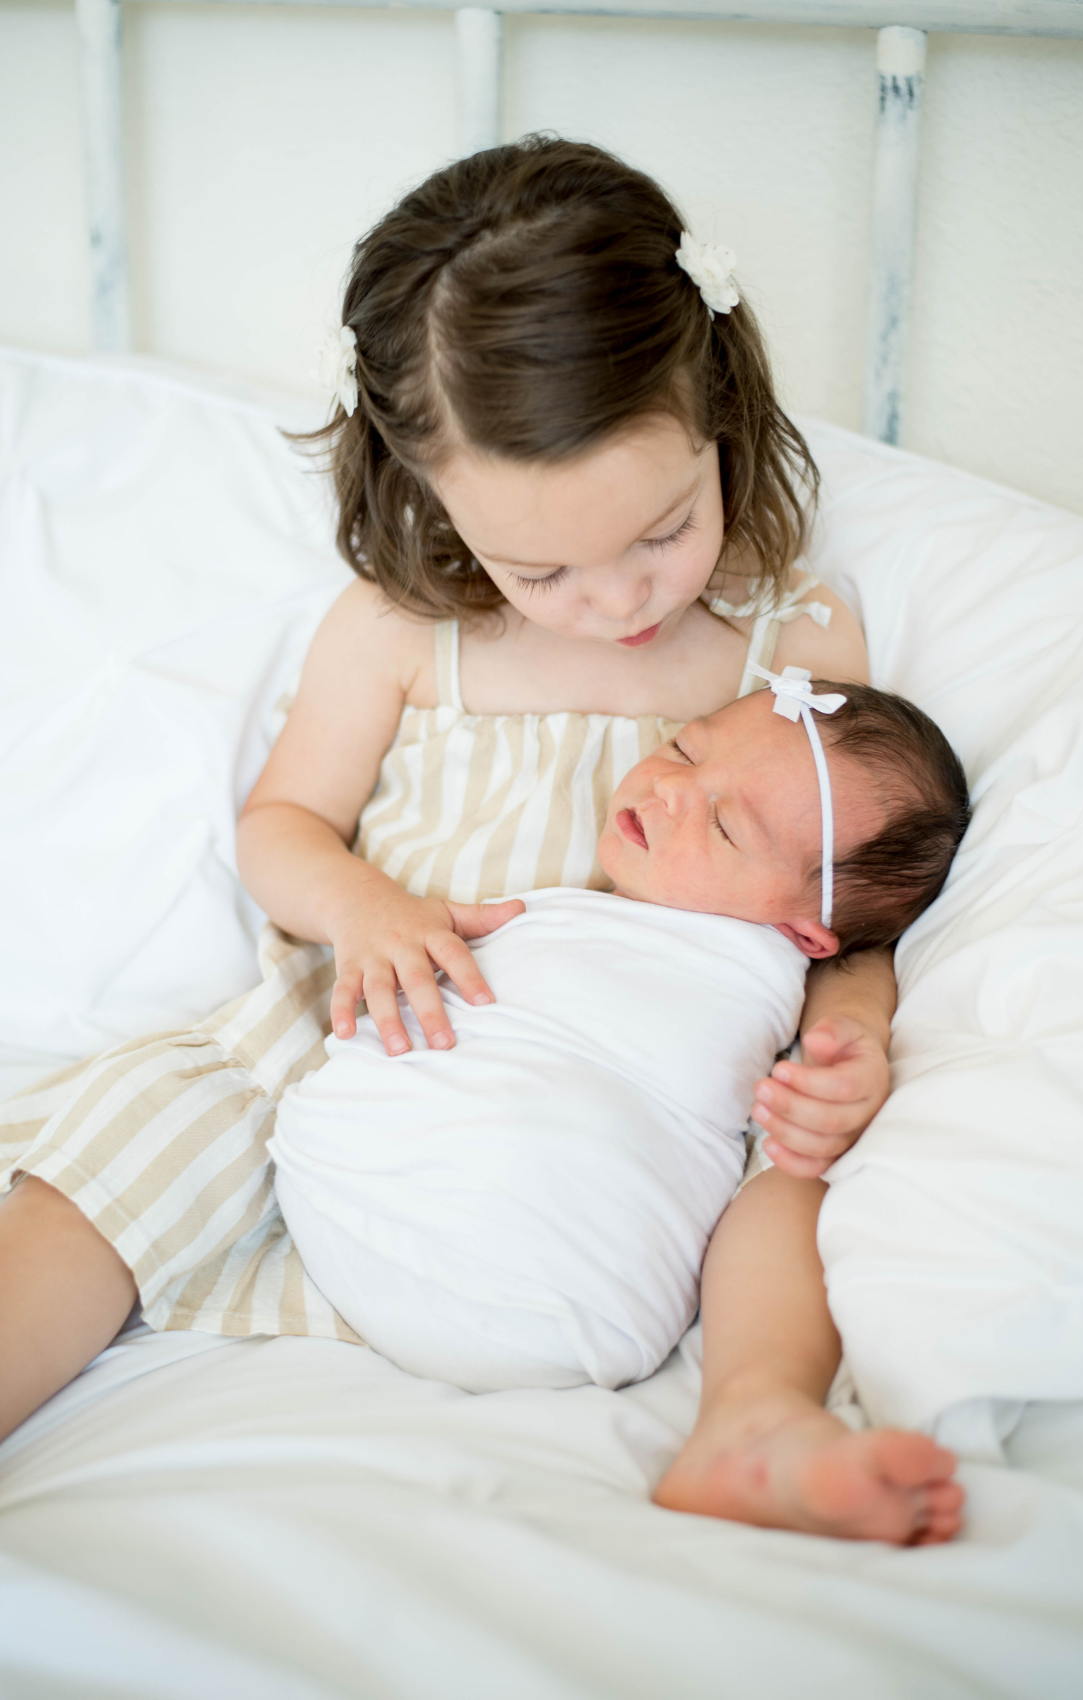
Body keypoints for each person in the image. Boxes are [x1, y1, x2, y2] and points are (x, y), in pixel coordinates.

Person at [0, 137, 951, 1544]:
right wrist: (365, 907)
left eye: (663, 529)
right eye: (541, 569)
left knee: (783, 1192)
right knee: (142, 1136)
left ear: (722, 416)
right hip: (378, 1029)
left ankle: (755, 1415)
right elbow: (280, 826)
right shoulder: (403, 634)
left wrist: (850, 1033)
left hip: (627, 1109)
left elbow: (840, 915)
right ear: (430, 496)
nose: (616, 599)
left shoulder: (791, 642)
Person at [271, 678, 967, 1418]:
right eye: (684, 747)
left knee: (794, 1182)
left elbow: (861, 961)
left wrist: (855, 1037)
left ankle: (758, 1410)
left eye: (726, 826)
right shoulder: (572, 910)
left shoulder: (777, 970)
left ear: (804, 932)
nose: (671, 789)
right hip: (353, 1185)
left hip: (559, 1279)